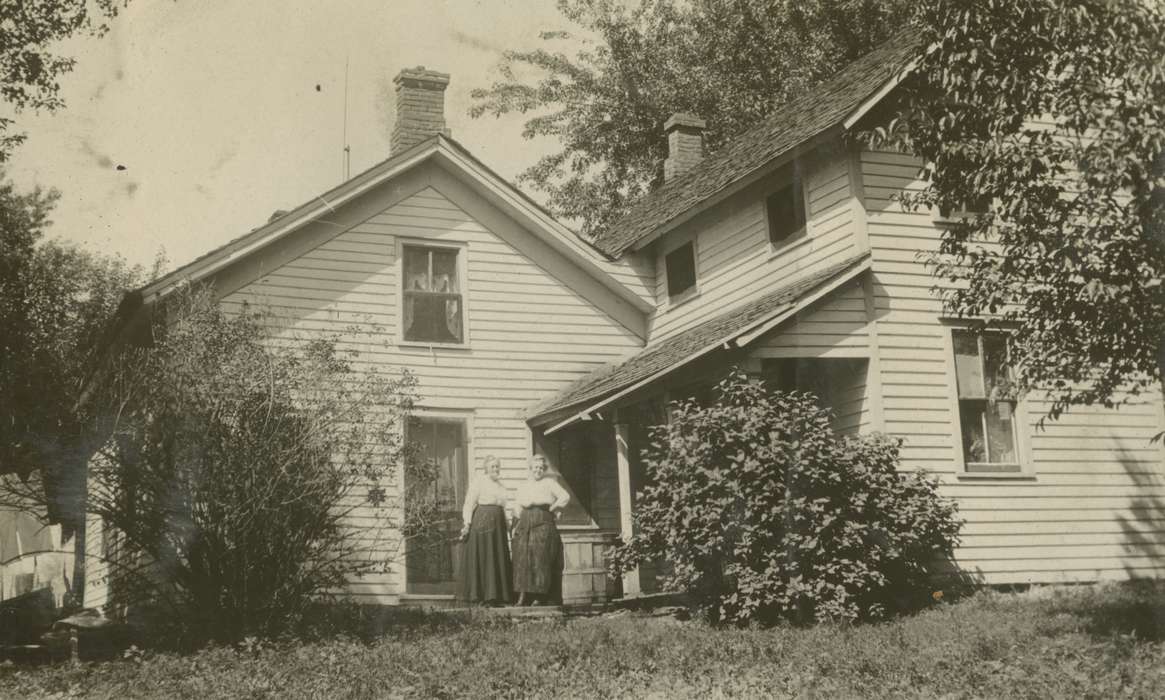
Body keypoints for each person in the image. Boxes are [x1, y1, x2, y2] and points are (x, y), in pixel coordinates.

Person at [510, 454, 570, 606]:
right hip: (525, 520)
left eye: (541, 468)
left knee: (540, 558)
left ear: (544, 470)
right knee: (522, 558)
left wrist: (553, 507)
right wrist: (516, 522)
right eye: (535, 467)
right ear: (530, 468)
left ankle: (539, 596)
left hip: (543, 520)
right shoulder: (524, 485)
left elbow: (565, 496)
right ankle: (522, 595)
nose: (538, 470)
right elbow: (517, 504)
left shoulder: (549, 483)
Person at [457, 455, 513, 605]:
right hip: (482, 522)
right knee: (485, 557)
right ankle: (481, 596)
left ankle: (496, 597)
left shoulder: (501, 486)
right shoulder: (479, 482)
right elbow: (469, 503)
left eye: (497, 466)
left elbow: (504, 507)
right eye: (492, 466)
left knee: (497, 556)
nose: (495, 469)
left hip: (498, 526)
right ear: (486, 468)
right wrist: (467, 523)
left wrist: (508, 525)